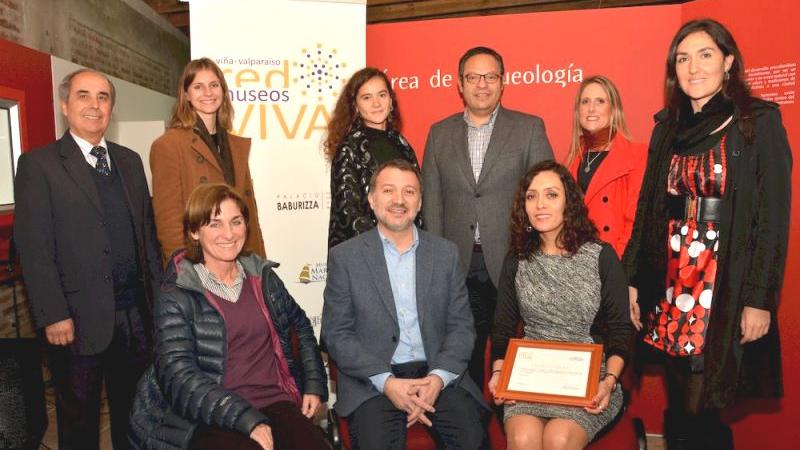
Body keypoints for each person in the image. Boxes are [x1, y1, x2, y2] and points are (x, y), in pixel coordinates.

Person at [623, 19, 792, 449]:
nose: (693, 67)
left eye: (705, 55)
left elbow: (773, 220)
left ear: (728, 62)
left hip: (723, 280)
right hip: (671, 277)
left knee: (702, 401)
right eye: (683, 58)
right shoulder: (668, 128)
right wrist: (631, 281)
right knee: (681, 396)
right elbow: (647, 210)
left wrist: (759, 299)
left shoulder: (756, 122)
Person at [14, 69, 162, 450]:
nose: (94, 105)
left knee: (135, 415)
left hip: (135, 318)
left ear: (111, 107)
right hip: (76, 321)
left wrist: (159, 304)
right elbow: (34, 246)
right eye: (83, 96)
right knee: (78, 422)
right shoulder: (39, 165)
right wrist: (51, 313)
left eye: (103, 97)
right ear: (65, 105)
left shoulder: (130, 161)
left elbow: (147, 236)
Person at [129, 183, 329, 450]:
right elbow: (178, 375)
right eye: (215, 224)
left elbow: (301, 327)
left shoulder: (262, 278)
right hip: (210, 413)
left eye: (236, 222)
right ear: (194, 232)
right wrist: (246, 419)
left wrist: (314, 384)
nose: (229, 233)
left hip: (274, 401)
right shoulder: (177, 292)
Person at [323, 159, 488, 449]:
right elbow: (337, 335)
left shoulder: (445, 254)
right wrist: (386, 382)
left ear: (420, 201)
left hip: (438, 375)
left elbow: (462, 328)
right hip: (374, 381)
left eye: (409, 192)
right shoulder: (345, 258)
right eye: (389, 190)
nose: (399, 200)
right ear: (372, 199)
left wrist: (436, 380)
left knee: (472, 440)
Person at [422, 46, 554, 389]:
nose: (482, 84)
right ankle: (472, 426)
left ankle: (512, 425)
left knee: (511, 352)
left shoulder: (528, 129)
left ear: (503, 81)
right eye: (473, 77)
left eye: (490, 76)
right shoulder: (439, 133)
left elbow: (547, 195)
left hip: (514, 259)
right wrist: (436, 263)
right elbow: (432, 203)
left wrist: (536, 253)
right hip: (458, 262)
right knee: (462, 351)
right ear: (459, 84)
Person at [489, 161, 633, 449]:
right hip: (529, 376)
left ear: (569, 203)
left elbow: (621, 331)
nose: (540, 204)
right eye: (532, 196)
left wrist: (609, 381)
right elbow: (503, 327)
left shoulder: (601, 256)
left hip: (588, 378)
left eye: (551, 195)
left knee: (558, 439)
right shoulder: (517, 259)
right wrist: (497, 373)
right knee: (523, 438)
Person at [151, 57, 265, 264]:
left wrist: (260, 263)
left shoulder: (235, 145)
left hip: (241, 257)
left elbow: (249, 212)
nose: (208, 93)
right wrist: (183, 269)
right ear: (186, 94)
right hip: (200, 261)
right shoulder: (168, 145)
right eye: (198, 87)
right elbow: (169, 222)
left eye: (214, 85)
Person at [326, 67, 421, 249]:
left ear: (391, 100)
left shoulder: (401, 143)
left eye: (382, 95)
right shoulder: (349, 148)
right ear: (355, 106)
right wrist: (386, 249)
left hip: (408, 248)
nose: (376, 103)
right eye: (367, 97)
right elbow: (349, 215)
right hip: (367, 253)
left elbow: (415, 199)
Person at [566, 75, 646, 258]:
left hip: (614, 261)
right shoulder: (573, 161)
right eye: (585, 102)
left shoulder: (636, 155)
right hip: (578, 265)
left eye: (600, 101)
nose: (591, 108)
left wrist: (615, 267)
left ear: (614, 109)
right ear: (578, 111)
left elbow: (635, 223)